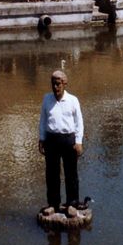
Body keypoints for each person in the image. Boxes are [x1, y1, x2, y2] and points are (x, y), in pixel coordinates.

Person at [38, 70, 85, 211]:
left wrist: (79, 141)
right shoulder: (47, 99)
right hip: (51, 140)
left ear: (64, 84)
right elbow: (43, 120)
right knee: (52, 174)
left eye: (58, 84)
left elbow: (79, 122)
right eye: (53, 84)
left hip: (68, 140)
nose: (55, 87)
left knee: (71, 173)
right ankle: (53, 204)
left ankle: (72, 203)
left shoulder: (73, 100)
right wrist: (41, 139)